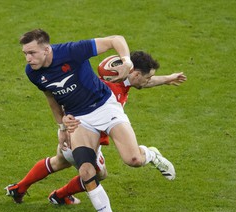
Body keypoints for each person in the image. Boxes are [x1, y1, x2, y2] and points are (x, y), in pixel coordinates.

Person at [7, 28, 177, 212]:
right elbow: (51, 96)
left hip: (105, 107)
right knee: (87, 171)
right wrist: (61, 125)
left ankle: (151, 154)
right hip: (80, 119)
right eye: (25, 54)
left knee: (133, 159)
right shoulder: (33, 72)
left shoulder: (72, 51)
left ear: (46, 49)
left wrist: (126, 60)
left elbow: (116, 39)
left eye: (32, 53)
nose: (28, 59)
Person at [48, 51, 186, 204]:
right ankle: (57, 195)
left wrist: (168, 79)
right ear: (135, 74)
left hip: (96, 133)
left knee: (95, 169)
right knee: (85, 170)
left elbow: (144, 82)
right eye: (148, 77)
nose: (148, 81)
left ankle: (47, 193)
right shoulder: (108, 89)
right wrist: (64, 126)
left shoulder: (124, 80)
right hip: (84, 133)